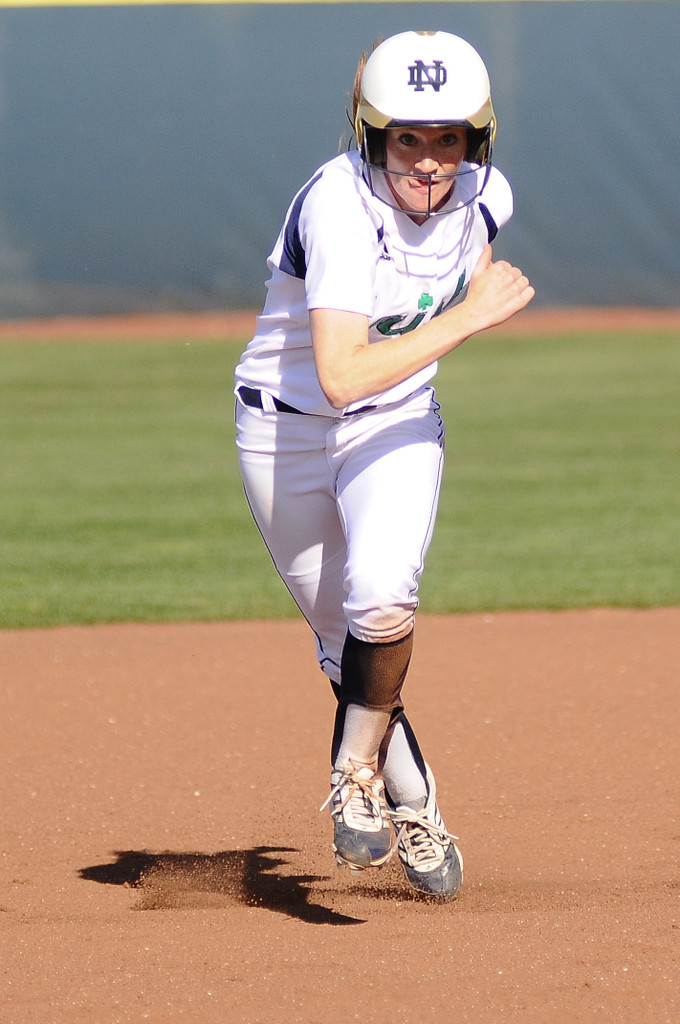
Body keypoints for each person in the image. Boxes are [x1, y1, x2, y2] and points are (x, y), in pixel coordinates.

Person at [234, 30, 534, 901]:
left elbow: (473, 247)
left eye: (449, 139)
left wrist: (473, 288)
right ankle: (413, 799)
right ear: (370, 136)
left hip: (395, 424)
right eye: (407, 137)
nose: (430, 162)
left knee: (383, 599)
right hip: (287, 433)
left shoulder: (485, 195)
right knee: (344, 649)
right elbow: (340, 373)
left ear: (477, 144)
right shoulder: (338, 206)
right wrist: (471, 316)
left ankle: (355, 772)